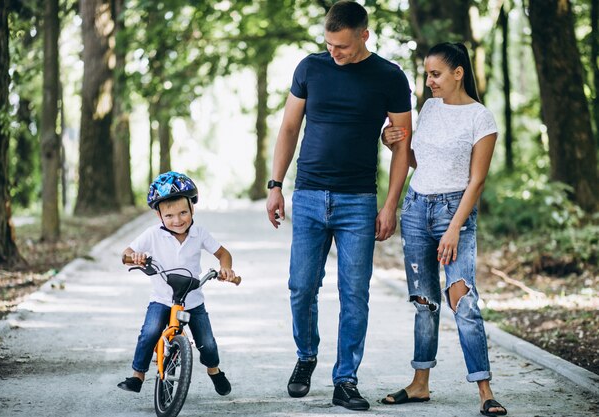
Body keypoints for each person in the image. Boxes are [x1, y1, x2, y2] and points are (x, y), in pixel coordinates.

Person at [265, 0, 412, 411]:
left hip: (358, 202)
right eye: (329, 44)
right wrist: (275, 185)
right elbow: (290, 127)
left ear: (364, 35)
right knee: (300, 287)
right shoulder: (310, 68)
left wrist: (390, 205)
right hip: (309, 196)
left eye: (342, 46)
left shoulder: (389, 76)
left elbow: (402, 145)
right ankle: (306, 356)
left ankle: (345, 379)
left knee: (354, 295)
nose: (334, 52)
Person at [380, 42, 507, 417]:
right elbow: (421, 161)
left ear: (458, 73)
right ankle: (420, 384)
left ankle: (485, 390)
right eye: (427, 75)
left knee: (462, 300)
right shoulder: (430, 108)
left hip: (456, 213)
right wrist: (392, 145)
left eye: (435, 74)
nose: (429, 81)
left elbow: (477, 181)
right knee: (424, 301)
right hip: (417, 208)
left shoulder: (481, 118)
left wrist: (454, 228)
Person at [117, 171, 236, 397]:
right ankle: (137, 376)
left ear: (193, 208)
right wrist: (136, 257)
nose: (178, 220)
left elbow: (223, 253)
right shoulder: (152, 235)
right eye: (169, 215)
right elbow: (126, 254)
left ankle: (214, 370)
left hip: (192, 300)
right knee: (150, 332)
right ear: (159, 215)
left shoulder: (199, 234)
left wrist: (226, 268)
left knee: (207, 343)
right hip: (162, 299)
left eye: (183, 212)